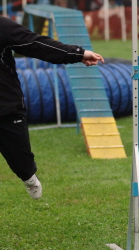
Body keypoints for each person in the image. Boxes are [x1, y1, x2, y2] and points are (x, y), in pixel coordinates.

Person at [0, 16, 105, 199]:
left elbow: (37, 44)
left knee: (21, 162)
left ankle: (28, 176)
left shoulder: (2, 26)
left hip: (6, 107)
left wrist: (78, 54)